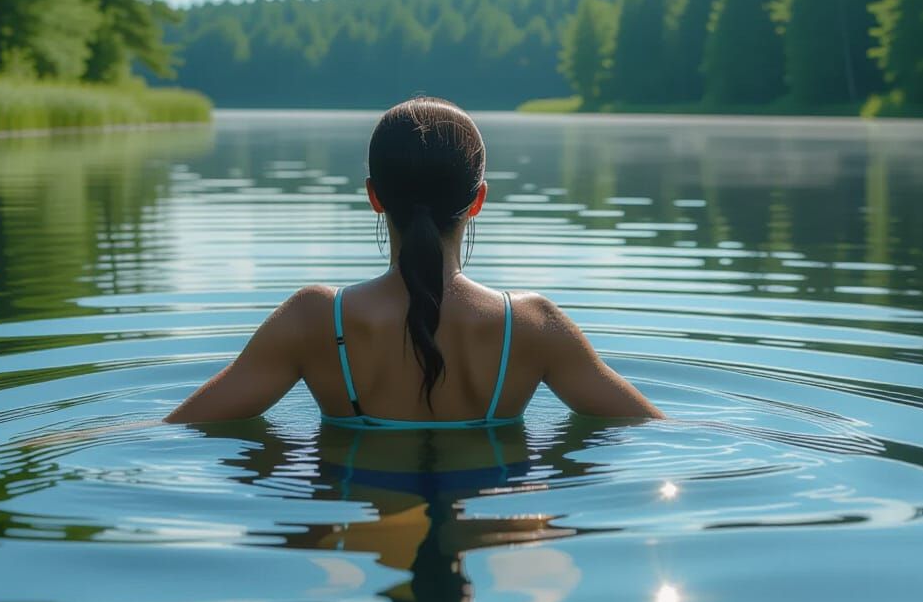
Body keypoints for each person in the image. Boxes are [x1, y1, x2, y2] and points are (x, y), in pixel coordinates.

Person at [166, 97, 663, 427]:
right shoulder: (533, 327)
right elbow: (649, 429)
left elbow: (184, 427)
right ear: (478, 200)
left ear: (374, 197)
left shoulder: (313, 319)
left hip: (353, 510)